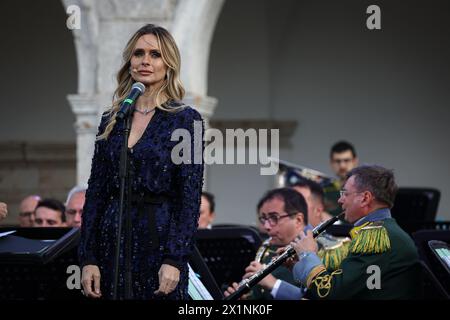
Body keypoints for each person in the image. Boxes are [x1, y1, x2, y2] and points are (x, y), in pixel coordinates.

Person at [79, 24, 204, 300]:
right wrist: (87, 257)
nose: (145, 61)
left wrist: (174, 259)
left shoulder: (185, 119)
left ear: (168, 64)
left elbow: (189, 198)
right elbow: (96, 192)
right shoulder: (112, 119)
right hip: (111, 240)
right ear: (130, 62)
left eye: (155, 54)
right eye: (138, 53)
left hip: (157, 241)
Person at [291, 165, 421, 299]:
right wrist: (299, 264)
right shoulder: (381, 231)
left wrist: (307, 255)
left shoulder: (376, 237)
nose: (340, 200)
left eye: (345, 194)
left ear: (365, 198)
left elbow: (331, 293)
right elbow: (348, 281)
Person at [223, 188, 308, 300]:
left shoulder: (322, 252)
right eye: (263, 219)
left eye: (274, 218)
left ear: (298, 220)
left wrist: (273, 284)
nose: (266, 227)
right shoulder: (268, 249)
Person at [323, 141, 359, 216]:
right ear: (331, 163)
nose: (342, 166)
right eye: (337, 161)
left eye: (346, 160)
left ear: (355, 161)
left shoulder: (364, 188)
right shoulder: (324, 188)